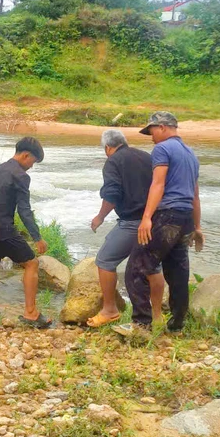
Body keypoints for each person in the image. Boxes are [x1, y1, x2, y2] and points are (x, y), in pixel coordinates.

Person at [125, 112, 204, 332]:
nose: (151, 137)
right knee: (178, 272)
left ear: (161, 127)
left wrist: (147, 218)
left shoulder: (162, 149)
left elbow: (158, 185)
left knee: (136, 268)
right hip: (186, 217)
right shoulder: (191, 154)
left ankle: (141, 323)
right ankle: (177, 324)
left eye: (151, 132)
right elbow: (195, 195)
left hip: (167, 215)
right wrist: (197, 227)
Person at [0, 137, 51, 328]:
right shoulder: (21, 176)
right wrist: (37, 237)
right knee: (32, 264)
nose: (31, 167)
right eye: (33, 162)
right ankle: (31, 313)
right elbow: (24, 210)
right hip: (5, 231)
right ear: (26, 155)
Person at [86, 129, 154, 328]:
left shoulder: (113, 162)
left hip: (132, 222)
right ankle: (157, 315)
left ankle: (110, 310)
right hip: (152, 221)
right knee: (153, 267)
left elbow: (112, 194)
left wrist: (100, 217)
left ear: (108, 147)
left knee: (105, 260)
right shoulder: (145, 157)